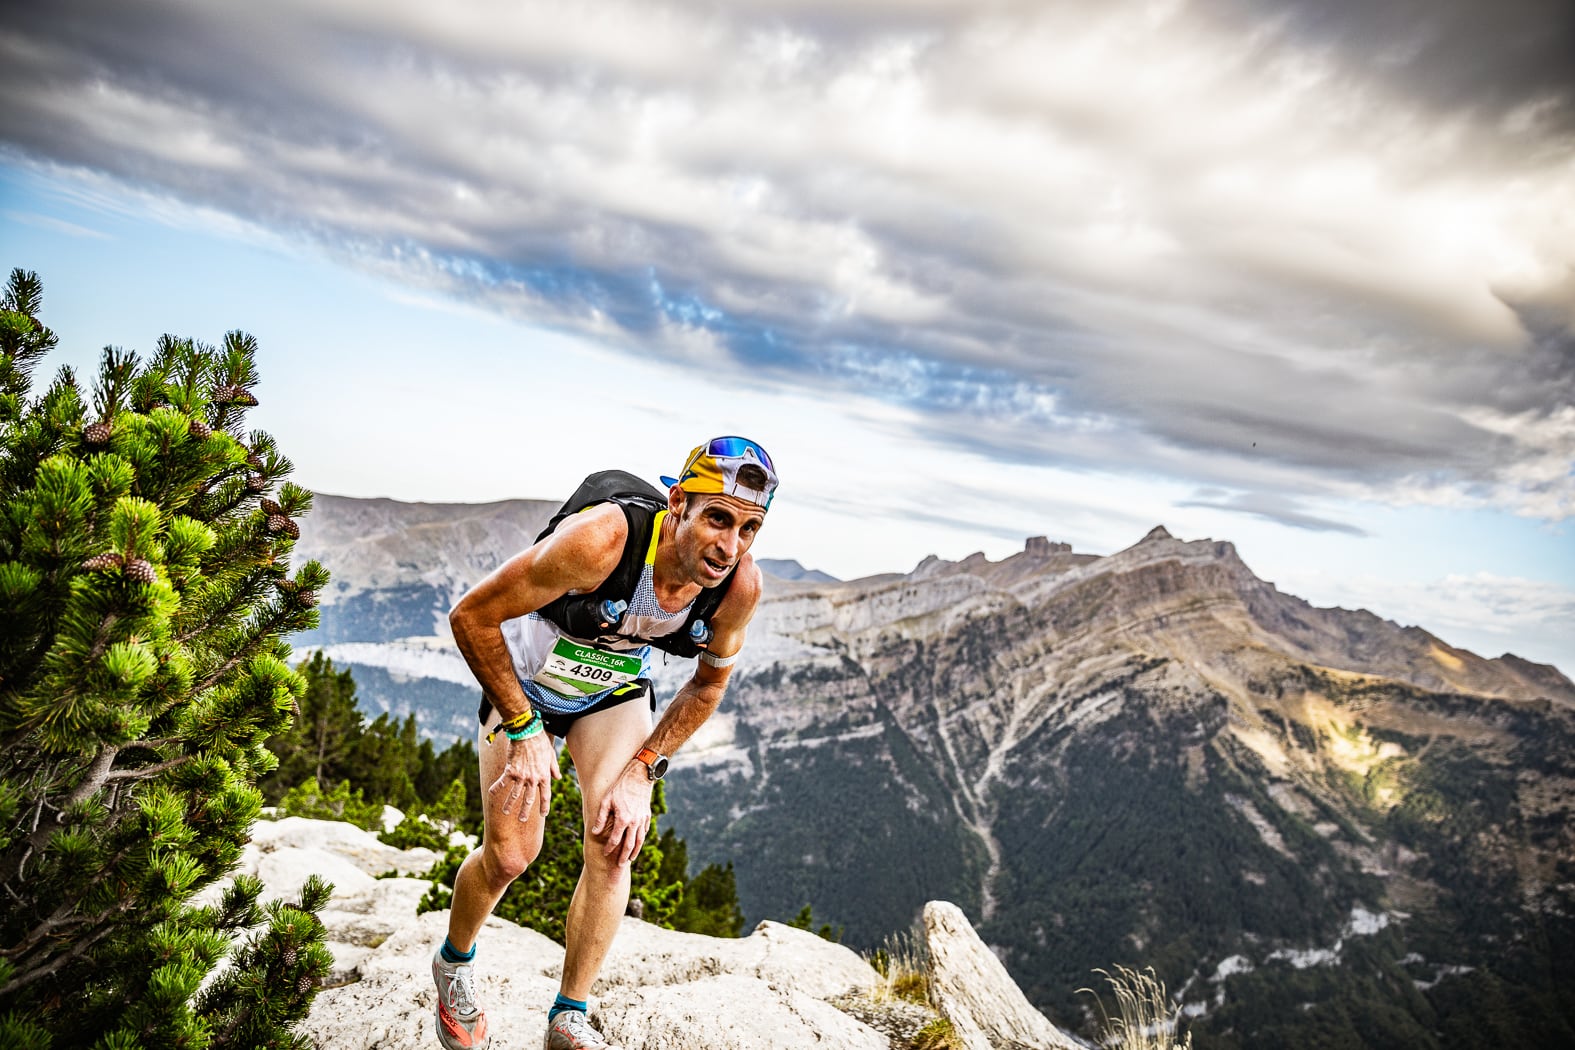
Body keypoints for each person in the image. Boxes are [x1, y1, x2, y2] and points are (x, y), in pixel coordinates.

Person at [430, 437, 778, 1050]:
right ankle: (454, 963)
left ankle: (569, 1016)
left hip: (609, 695)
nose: (730, 546)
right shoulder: (602, 541)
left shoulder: (737, 590)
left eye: (749, 528)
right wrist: (523, 729)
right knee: (511, 855)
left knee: (616, 841)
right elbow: (471, 617)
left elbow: (706, 687)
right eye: (718, 518)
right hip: (527, 684)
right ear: (679, 505)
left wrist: (645, 770)